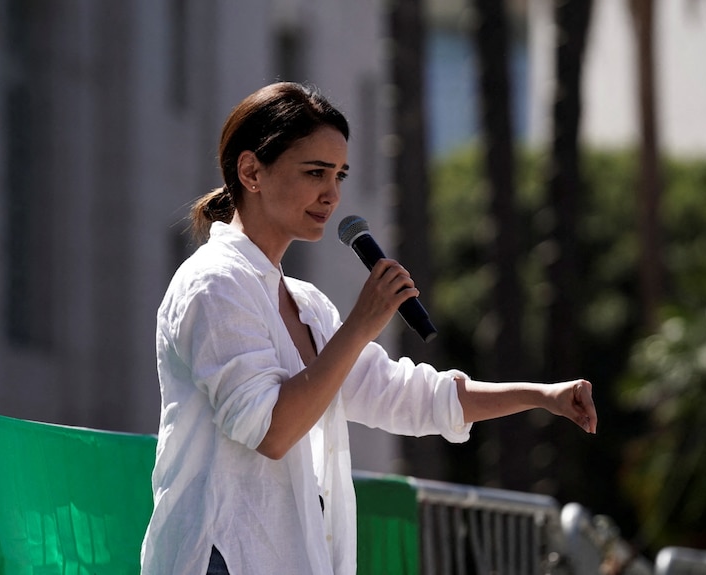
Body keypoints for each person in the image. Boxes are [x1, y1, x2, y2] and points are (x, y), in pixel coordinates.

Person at [139, 81, 597, 575]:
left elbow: (408, 395)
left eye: (340, 174)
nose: (332, 194)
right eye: (315, 172)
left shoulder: (306, 304)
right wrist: (360, 324)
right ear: (251, 171)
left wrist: (542, 395)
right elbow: (269, 431)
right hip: (217, 557)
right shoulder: (213, 283)